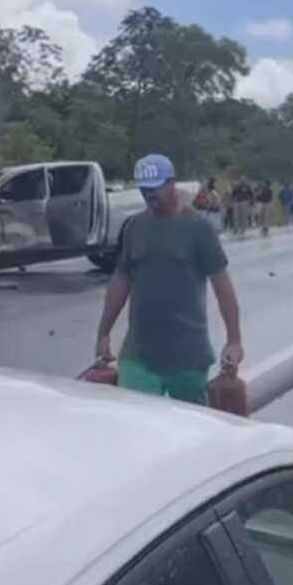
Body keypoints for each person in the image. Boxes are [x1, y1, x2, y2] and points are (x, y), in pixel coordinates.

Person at [96, 154, 244, 406]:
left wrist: (234, 340)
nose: (149, 194)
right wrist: (104, 332)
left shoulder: (198, 229)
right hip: (138, 356)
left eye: (155, 187)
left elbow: (222, 286)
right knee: (138, 426)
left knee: (190, 434)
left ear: (171, 183)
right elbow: (121, 281)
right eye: (144, 188)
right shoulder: (134, 227)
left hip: (187, 358)